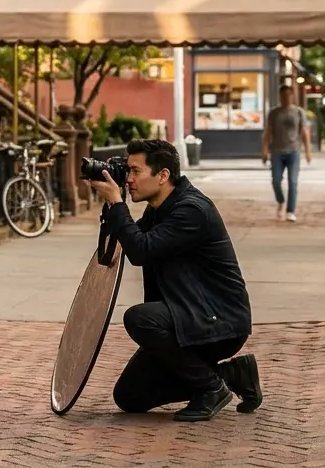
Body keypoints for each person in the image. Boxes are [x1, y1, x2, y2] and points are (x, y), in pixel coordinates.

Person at [90, 139, 261, 422]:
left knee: (140, 318)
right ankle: (232, 374)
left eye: (135, 171)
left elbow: (140, 251)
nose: (129, 179)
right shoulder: (159, 208)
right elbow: (124, 242)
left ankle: (211, 388)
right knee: (129, 397)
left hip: (218, 320)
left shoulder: (191, 210)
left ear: (163, 175)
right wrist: (112, 205)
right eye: (127, 171)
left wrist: (116, 203)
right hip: (187, 312)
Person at [262, 84, 311, 222]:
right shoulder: (274, 113)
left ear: (292, 96)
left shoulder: (299, 112)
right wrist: (264, 149)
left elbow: (304, 132)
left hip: (294, 151)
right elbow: (268, 132)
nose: (286, 98)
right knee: (276, 181)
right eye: (284, 95)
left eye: (289, 95)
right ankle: (281, 201)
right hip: (277, 151)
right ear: (280, 96)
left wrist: (307, 151)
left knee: (293, 181)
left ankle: (291, 211)